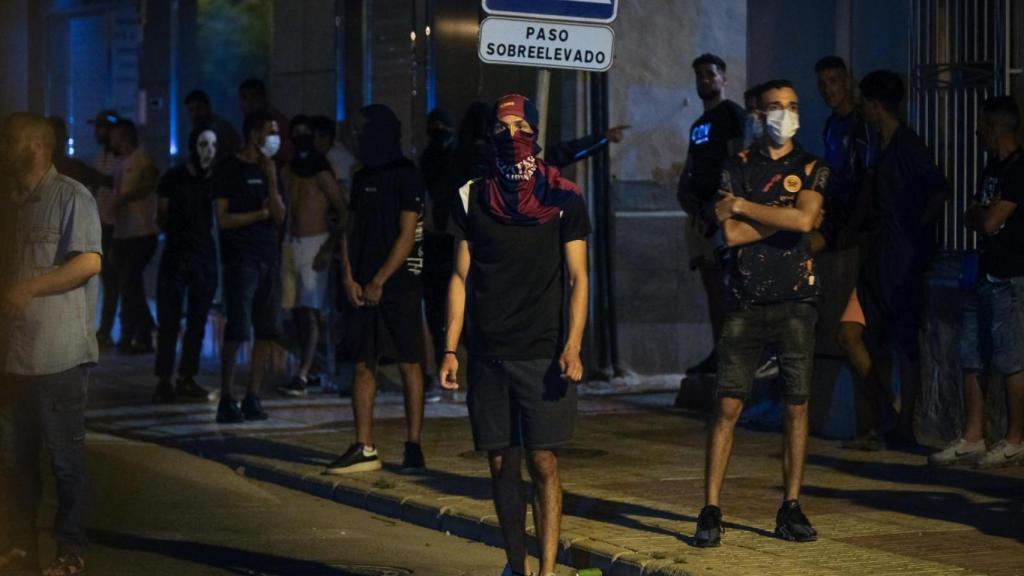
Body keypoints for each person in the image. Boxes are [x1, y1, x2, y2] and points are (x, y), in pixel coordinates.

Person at [439, 94, 590, 576]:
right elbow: (459, 277)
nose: (511, 136)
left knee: (543, 460)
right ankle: (517, 566)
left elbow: (579, 278)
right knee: (501, 464)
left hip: (542, 351)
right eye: (501, 128)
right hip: (487, 352)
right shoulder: (471, 195)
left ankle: (547, 569)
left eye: (520, 126)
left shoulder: (562, 195)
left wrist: (573, 345)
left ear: (537, 133)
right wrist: (449, 349)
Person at [696, 80, 829, 547]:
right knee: (728, 404)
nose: (785, 115)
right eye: (776, 107)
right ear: (758, 114)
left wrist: (752, 209)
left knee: (797, 404)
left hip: (796, 299)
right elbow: (729, 234)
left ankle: (790, 506)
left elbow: (805, 221)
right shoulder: (737, 166)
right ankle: (711, 508)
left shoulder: (812, 166)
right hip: (745, 299)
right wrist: (781, 216)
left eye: (792, 106)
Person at [0, 112, 103, 576]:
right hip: (15, 358)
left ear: (36, 146)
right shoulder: (12, 202)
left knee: (65, 461)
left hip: (58, 356)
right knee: (16, 462)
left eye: (11, 141)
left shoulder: (71, 197)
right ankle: (21, 544)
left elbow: (88, 264)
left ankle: (70, 550)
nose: (4, 149)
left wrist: (29, 288)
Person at [324, 104, 427, 475]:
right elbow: (348, 231)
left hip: (397, 285)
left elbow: (406, 235)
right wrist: (350, 277)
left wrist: (379, 281)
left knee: (408, 362)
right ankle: (363, 445)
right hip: (363, 286)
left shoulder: (407, 175)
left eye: (363, 131)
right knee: (363, 364)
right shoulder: (362, 174)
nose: (357, 138)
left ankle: (413, 444)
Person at [930, 96, 1024, 468]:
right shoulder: (991, 169)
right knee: (971, 354)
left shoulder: (1018, 170)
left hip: (1010, 274)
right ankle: (973, 435)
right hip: (981, 269)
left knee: (1011, 358)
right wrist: (983, 216)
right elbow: (975, 215)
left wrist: (983, 216)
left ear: (995, 127)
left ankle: (1015, 438)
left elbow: (986, 220)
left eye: (981, 125)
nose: (976, 133)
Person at [857, 70, 948, 446]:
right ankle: (891, 419)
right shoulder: (882, 144)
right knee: (880, 335)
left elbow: (938, 190)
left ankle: (905, 423)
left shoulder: (907, 146)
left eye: (866, 102)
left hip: (901, 252)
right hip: (885, 249)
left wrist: (915, 232)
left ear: (876, 106)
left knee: (904, 336)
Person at [813, 56, 887, 449]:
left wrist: (849, 231)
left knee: (853, 332)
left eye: (835, 81)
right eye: (823, 83)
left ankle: (876, 419)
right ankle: (870, 422)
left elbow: (864, 182)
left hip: (853, 237)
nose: (829, 89)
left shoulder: (861, 126)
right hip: (836, 227)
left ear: (849, 82)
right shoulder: (831, 125)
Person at [213, 111, 287, 423]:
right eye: (271, 131)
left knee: (267, 329)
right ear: (254, 134)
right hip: (241, 259)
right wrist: (259, 215)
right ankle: (227, 395)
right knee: (239, 328)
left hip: (269, 256)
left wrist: (270, 178)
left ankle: (252, 396)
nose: (275, 138)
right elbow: (223, 219)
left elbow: (281, 215)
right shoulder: (229, 169)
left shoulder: (270, 168)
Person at [677, 53, 746, 378]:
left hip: (721, 215)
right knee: (711, 287)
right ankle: (719, 350)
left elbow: (737, 162)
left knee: (727, 286)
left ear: (723, 78)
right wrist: (684, 195)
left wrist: (717, 204)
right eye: (700, 75)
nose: (704, 80)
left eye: (710, 74)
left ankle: (733, 354)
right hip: (698, 218)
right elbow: (692, 165)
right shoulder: (697, 125)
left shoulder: (731, 115)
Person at [277, 115, 346, 396]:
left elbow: (342, 211)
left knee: (312, 312)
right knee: (293, 313)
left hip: (315, 243)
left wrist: (329, 247)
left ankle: (304, 374)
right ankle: (309, 368)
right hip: (291, 243)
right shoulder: (288, 170)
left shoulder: (321, 171)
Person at [151, 126, 220, 404]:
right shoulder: (174, 178)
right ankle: (165, 379)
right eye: (204, 145)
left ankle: (186, 377)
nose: (209, 152)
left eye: (213, 146)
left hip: (203, 256)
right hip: (178, 255)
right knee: (170, 320)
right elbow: (161, 215)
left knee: (197, 321)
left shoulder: (214, 180)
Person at [109, 120, 159, 354]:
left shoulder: (141, 158)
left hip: (141, 232)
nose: (111, 139)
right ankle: (143, 334)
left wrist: (125, 198)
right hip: (123, 232)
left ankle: (139, 331)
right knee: (131, 285)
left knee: (129, 282)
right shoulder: (120, 162)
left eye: (115, 135)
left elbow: (150, 181)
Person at [419, 108, 461, 381]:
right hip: (434, 242)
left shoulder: (455, 164)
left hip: (453, 242)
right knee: (436, 310)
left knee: (453, 308)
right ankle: (439, 365)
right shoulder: (428, 162)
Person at [90, 110, 122, 348]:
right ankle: (106, 328)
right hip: (101, 222)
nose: (97, 132)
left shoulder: (121, 157)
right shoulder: (100, 154)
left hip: (115, 225)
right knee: (106, 279)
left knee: (113, 279)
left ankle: (108, 329)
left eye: (101, 127)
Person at [239, 78, 293, 165]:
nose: (249, 103)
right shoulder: (249, 123)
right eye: (244, 98)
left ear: (263, 99)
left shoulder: (277, 123)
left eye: (254, 97)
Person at [185, 89, 240, 164]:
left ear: (208, 107)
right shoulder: (200, 130)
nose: (195, 114)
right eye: (191, 110)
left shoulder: (219, 129)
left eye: (199, 108)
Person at [311, 114, 356, 190]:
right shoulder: (330, 152)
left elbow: (345, 188)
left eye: (322, 136)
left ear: (331, 137)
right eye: (313, 137)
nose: (317, 141)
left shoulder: (334, 155)